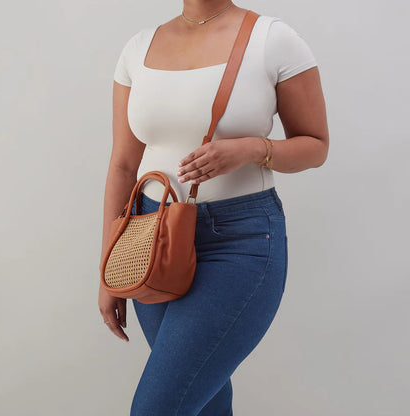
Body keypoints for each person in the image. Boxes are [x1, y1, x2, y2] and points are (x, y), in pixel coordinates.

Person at [99, 1, 329, 414]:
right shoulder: (139, 48)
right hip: (149, 240)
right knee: (205, 404)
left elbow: (316, 146)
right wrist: (107, 267)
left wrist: (253, 149)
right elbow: (122, 165)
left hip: (239, 242)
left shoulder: (273, 39)